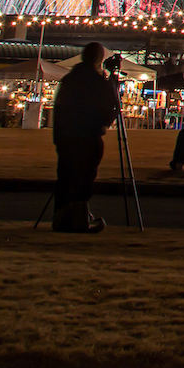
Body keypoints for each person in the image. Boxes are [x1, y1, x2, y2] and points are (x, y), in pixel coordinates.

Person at [51, 42, 118, 233]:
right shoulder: (96, 82)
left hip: (66, 136)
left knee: (65, 177)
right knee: (83, 179)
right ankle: (77, 218)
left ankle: (62, 217)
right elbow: (109, 107)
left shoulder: (70, 79)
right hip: (87, 136)